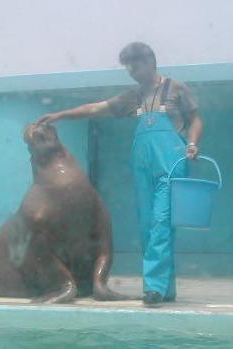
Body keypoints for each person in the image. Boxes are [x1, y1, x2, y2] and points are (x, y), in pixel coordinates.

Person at [36, 42, 203, 307]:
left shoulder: (176, 88)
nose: (131, 71)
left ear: (149, 61)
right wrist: (60, 115)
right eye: (128, 67)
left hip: (171, 163)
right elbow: (96, 108)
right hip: (143, 166)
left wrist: (192, 143)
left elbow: (195, 119)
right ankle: (165, 288)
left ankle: (153, 288)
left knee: (161, 222)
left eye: (134, 65)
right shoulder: (133, 97)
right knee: (148, 225)